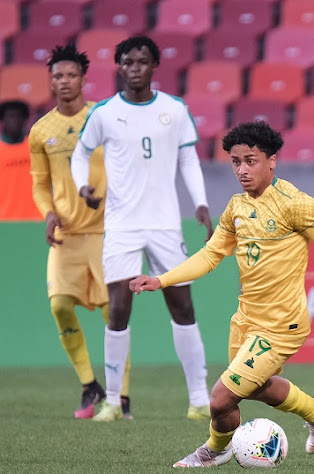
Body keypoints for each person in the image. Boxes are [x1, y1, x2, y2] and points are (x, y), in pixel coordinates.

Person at [129, 121, 314, 467]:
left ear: (272, 160)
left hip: (281, 325)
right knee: (250, 390)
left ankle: (213, 451)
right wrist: (162, 280)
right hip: (246, 319)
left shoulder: (294, 203)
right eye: (236, 162)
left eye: (251, 160)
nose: (242, 170)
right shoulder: (235, 207)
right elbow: (210, 255)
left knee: (219, 399)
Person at [71, 36, 213, 422]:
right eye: (128, 62)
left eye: (143, 61)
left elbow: (188, 160)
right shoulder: (103, 113)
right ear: (119, 66)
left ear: (154, 66)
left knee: (182, 306)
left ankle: (200, 400)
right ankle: (114, 402)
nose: (135, 68)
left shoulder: (174, 109)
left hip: (165, 223)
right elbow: (81, 153)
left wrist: (199, 201)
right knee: (118, 308)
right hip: (122, 224)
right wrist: (83, 186)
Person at [29, 44, 133, 419]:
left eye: (71, 74)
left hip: (107, 232)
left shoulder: (104, 118)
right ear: (51, 81)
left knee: (113, 314)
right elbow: (40, 183)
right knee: (59, 305)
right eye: (58, 75)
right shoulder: (41, 131)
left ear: (83, 80)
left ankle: (121, 397)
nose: (65, 81)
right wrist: (47, 213)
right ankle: (90, 386)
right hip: (67, 235)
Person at [0, 100, 39, 220]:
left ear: (25, 119)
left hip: (36, 218)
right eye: (10, 116)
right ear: (3, 120)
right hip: (4, 219)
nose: (15, 120)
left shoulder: (35, 146)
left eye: (19, 116)